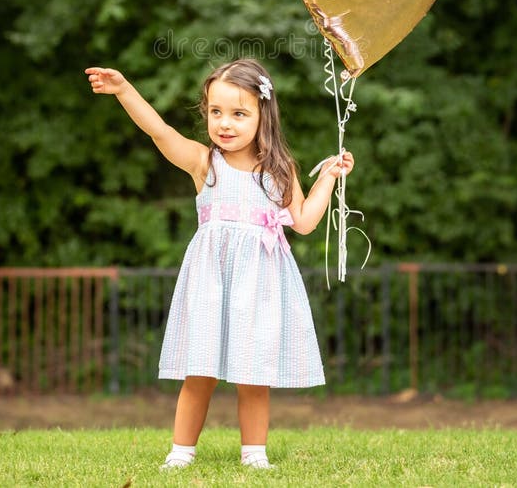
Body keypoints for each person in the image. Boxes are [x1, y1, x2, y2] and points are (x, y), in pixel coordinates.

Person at [85, 58, 353, 470]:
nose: (225, 123)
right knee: (201, 369)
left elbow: (303, 222)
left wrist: (329, 178)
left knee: (253, 373)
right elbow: (159, 131)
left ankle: (255, 455)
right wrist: (124, 90)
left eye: (239, 113)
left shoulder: (279, 172)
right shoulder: (205, 163)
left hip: (260, 283)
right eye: (216, 112)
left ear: (264, 115)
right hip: (212, 280)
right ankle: (180, 452)